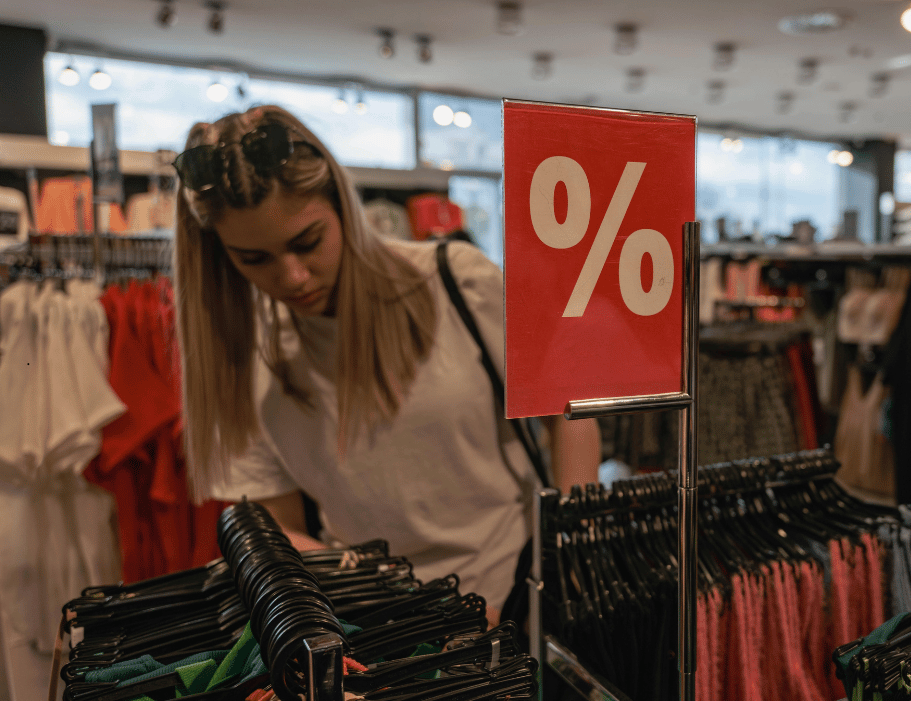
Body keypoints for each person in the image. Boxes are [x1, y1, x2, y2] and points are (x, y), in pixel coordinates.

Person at [173, 105, 601, 615]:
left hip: (519, 592)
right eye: (254, 259)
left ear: (343, 210)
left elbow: (570, 413)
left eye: (308, 243)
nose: (291, 277)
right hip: (373, 622)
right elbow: (286, 524)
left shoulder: (457, 283)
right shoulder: (249, 356)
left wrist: (575, 548)